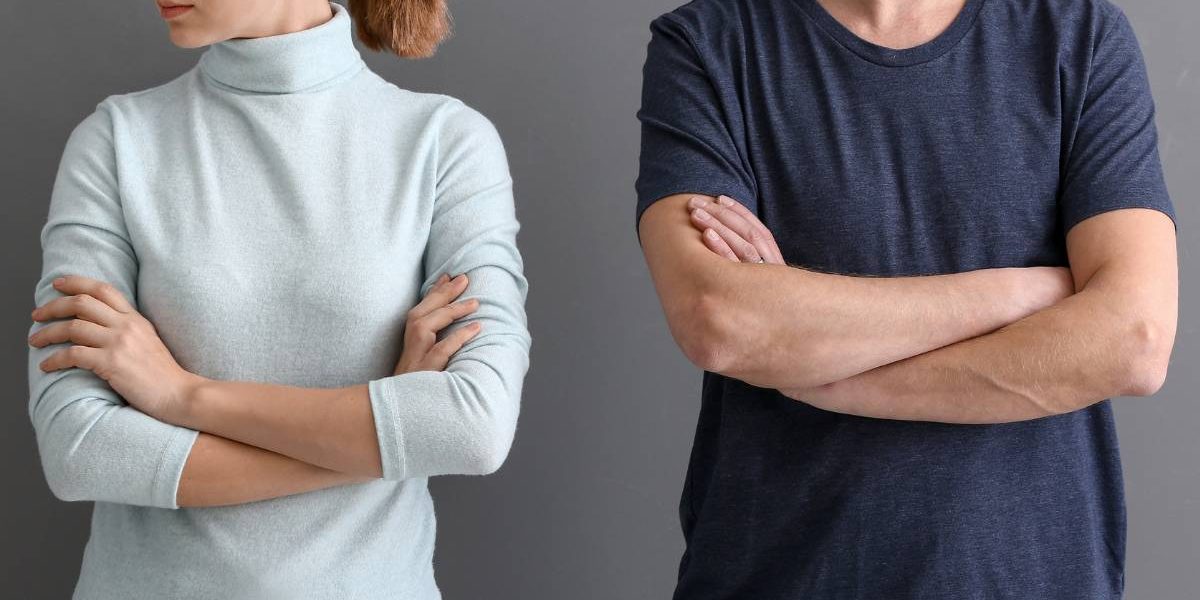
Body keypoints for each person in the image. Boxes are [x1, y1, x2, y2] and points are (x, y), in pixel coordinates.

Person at [634, 0, 1178, 598]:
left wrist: (820, 375)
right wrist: (1017, 293)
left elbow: (1133, 338)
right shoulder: (706, 43)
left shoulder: (1080, 35)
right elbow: (722, 320)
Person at [25, 1, 529, 598]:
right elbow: (80, 449)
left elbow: (472, 426)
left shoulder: (444, 142)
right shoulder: (115, 141)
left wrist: (184, 396)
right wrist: (379, 438)